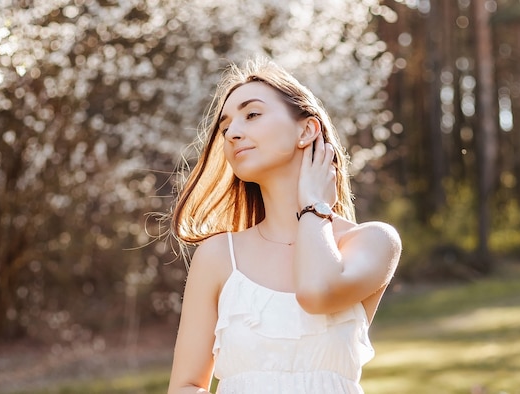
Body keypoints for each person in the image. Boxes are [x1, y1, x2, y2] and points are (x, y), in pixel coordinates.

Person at [165, 56, 402, 394]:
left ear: (306, 130)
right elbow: (186, 386)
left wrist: (313, 207)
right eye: (224, 126)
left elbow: (316, 293)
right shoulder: (218, 256)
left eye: (252, 114)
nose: (232, 132)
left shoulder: (373, 241)